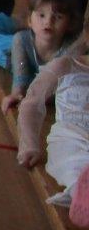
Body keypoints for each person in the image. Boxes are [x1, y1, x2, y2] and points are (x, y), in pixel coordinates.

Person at [17, 42, 89, 208]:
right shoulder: (65, 65)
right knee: (76, 165)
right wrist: (29, 144)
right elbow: (31, 104)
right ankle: (81, 195)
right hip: (70, 137)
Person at [0, 0, 82, 113]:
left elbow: (64, 86)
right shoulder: (21, 40)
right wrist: (17, 93)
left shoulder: (72, 49)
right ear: (30, 21)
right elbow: (21, 73)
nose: (48, 22)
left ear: (70, 24)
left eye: (58, 17)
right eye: (41, 15)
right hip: (13, 59)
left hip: (48, 84)